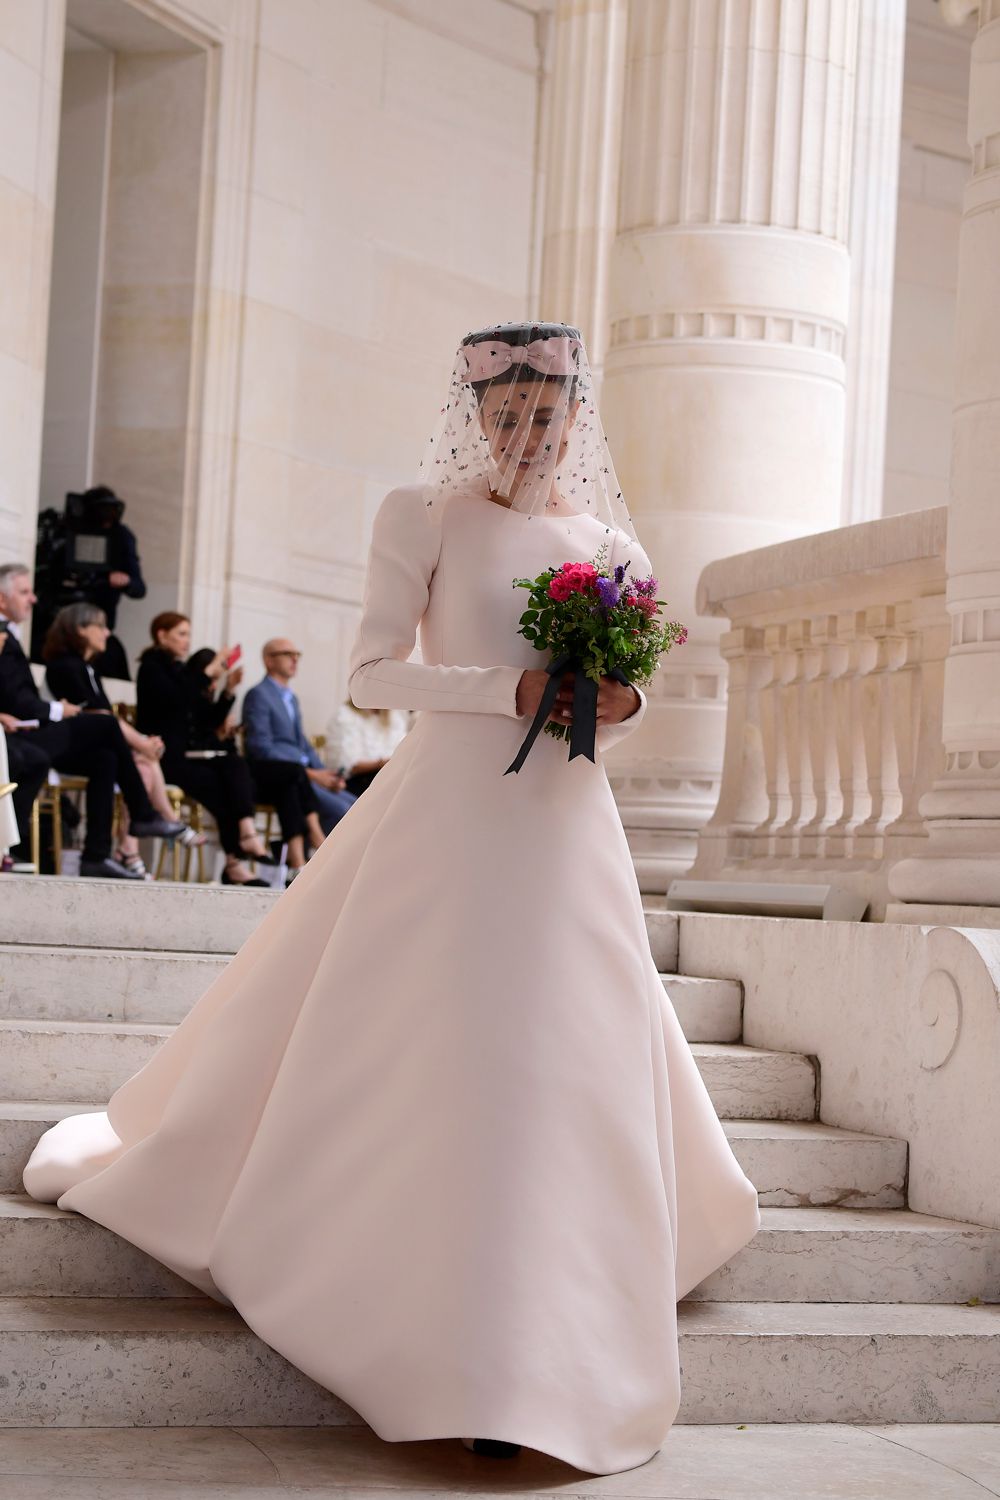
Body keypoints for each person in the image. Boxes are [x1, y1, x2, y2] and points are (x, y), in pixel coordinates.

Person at [22, 323, 759, 1474]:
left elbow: (636, 691)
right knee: (447, 1053)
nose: (528, 431)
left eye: (547, 411)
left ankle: (555, 1333)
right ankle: (447, 1345)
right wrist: (505, 685)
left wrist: (614, 702)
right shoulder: (418, 514)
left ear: (575, 413)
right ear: (474, 414)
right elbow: (370, 672)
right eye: (506, 412)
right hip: (448, 817)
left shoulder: (611, 539)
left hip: (566, 827)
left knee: (563, 1059)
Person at [0, 563, 185, 877]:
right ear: (2, 599)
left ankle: (96, 856)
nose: (33, 599)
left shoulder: (12, 637)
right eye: (24, 592)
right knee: (106, 724)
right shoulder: (15, 641)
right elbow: (16, 699)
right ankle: (142, 812)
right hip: (22, 734)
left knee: (105, 757)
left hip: (33, 730)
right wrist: (58, 709)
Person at [43, 602, 204, 878]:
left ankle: (97, 855)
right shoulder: (63, 666)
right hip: (57, 744)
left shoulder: (88, 668)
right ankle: (145, 819)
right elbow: (98, 716)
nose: (108, 633)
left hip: (84, 747)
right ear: (81, 630)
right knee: (121, 741)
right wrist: (140, 742)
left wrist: (141, 744)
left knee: (106, 760)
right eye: (101, 627)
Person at [135, 613, 274, 886]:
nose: (187, 640)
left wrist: (228, 692)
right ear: (162, 635)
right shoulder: (152, 667)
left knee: (234, 763)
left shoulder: (177, 671)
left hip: (185, 757)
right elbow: (175, 702)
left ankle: (246, 830)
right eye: (181, 634)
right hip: (164, 758)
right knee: (220, 787)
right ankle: (235, 861)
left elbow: (204, 718)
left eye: (188, 634)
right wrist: (207, 674)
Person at [243, 639, 355, 849]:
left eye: (296, 654)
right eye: (287, 654)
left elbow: (301, 742)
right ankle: (318, 863)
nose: (294, 659)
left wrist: (327, 775)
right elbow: (261, 747)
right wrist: (310, 774)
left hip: (306, 774)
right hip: (287, 775)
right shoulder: (259, 695)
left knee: (358, 807)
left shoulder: (290, 697)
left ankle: (311, 856)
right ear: (269, 661)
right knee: (343, 811)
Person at [323, 699, 410, 797]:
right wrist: (380, 763)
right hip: (357, 780)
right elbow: (347, 765)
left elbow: (403, 749)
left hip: (388, 775)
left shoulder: (394, 718)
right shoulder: (344, 716)